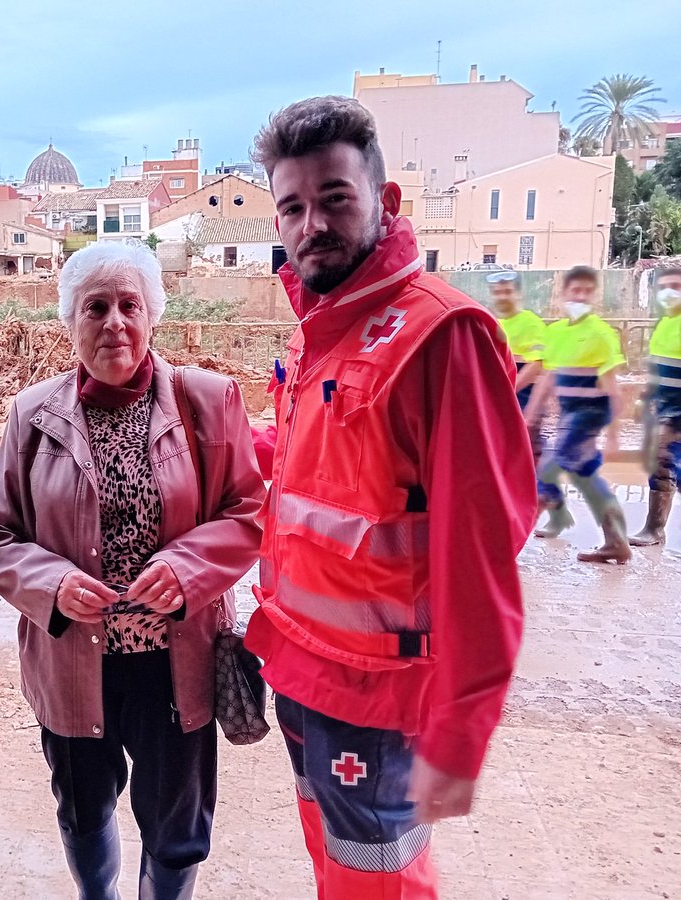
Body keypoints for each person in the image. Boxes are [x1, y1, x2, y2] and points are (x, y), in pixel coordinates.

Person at [246, 96, 534, 899]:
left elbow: (483, 553)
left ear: (386, 200)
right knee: (338, 869)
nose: (313, 224)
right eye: (294, 207)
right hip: (304, 679)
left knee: (381, 882)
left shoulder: (439, 337)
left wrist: (460, 729)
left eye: (335, 198)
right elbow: (319, 479)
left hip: (380, 700)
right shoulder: (322, 327)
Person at [0, 240, 264, 900]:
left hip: (175, 662)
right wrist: (51, 583)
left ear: (152, 314)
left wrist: (187, 569)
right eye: (94, 307)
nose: (113, 323)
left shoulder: (208, 401)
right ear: (68, 320)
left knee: (176, 831)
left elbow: (248, 511)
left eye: (129, 305)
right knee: (83, 815)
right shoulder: (31, 415)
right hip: (73, 660)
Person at [525, 265, 630, 563]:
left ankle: (507, 547)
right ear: (563, 294)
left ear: (595, 296)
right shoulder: (556, 333)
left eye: (587, 291)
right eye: (576, 290)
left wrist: (613, 435)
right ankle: (616, 542)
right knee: (587, 477)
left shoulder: (601, 334)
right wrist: (530, 415)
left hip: (588, 416)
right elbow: (548, 378)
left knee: (545, 474)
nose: (581, 296)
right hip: (569, 417)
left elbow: (613, 388)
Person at [630, 266, 681, 547]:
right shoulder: (665, 323)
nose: (669, 292)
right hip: (665, 406)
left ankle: (654, 530)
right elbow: (658, 368)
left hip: (678, 411)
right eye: (664, 287)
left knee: (661, 462)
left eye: (676, 286)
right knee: (673, 468)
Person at [489, 270, 548, 465]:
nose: (502, 297)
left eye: (507, 291)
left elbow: (536, 364)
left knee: (527, 454)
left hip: (524, 396)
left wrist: (509, 390)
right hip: (502, 399)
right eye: (497, 292)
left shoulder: (530, 323)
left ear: (518, 294)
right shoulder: (494, 322)